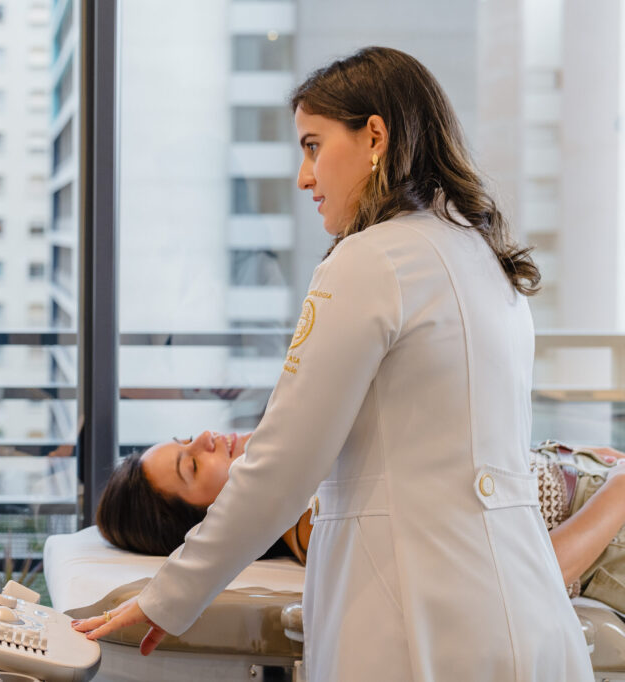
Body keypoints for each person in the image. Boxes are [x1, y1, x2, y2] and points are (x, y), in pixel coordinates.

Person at [72, 46, 593, 681]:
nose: (303, 176)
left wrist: (166, 597)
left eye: (314, 146)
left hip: (427, 623)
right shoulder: (484, 256)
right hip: (528, 613)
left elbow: (282, 462)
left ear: (374, 135)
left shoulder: (370, 261)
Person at [97, 430, 625, 608]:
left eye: (190, 437)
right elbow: (529, 578)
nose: (208, 438)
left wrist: (586, 462)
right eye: (192, 464)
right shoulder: (338, 517)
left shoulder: (320, 469)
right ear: (208, 523)